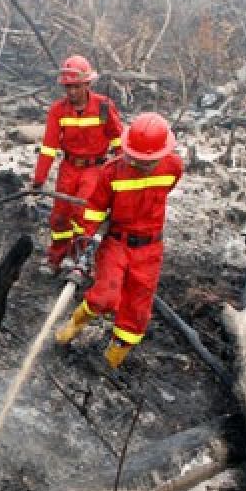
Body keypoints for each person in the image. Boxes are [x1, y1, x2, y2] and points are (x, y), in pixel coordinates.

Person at [54, 113, 184, 370]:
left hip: (150, 249)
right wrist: (85, 238)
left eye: (149, 160)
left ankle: (111, 360)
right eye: (137, 157)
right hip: (116, 243)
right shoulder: (112, 172)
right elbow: (94, 210)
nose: (142, 164)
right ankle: (73, 326)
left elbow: (164, 190)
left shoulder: (174, 167)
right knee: (104, 297)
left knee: (137, 312)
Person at [30, 55, 123, 273]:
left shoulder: (103, 107)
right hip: (69, 168)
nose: (71, 92)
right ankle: (56, 257)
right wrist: (39, 179)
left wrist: (123, 176)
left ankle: (78, 257)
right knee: (60, 215)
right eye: (67, 87)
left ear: (88, 84)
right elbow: (49, 147)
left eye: (76, 86)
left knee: (84, 213)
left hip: (95, 168)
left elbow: (119, 141)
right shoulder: (58, 110)